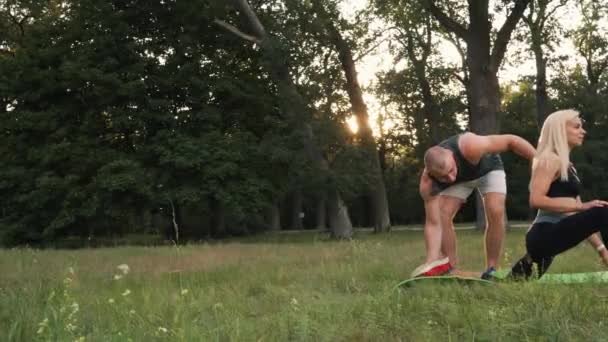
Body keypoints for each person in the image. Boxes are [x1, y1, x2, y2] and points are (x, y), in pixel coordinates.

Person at [411, 132, 536, 279]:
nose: (450, 178)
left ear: (451, 155)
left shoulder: (470, 145)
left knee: (495, 210)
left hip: (488, 169)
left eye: (451, 170)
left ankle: (491, 269)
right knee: (442, 213)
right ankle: (450, 269)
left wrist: (539, 158)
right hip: (462, 180)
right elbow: (433, 223)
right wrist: (431, 261)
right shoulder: (428, 184)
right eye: (443, 177)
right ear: (432, 174)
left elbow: (511, 141)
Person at [509, 109, 608, 280]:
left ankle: (515, 275)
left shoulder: (567, 165)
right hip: (543, 234)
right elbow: (536, 199)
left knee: (516, 284)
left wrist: (602, 250)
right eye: (577, 127)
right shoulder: (549, 159)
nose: (583, 131)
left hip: (552, 235)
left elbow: (581, 215)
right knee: (604, 210)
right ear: (560, 130)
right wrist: (580, 206)